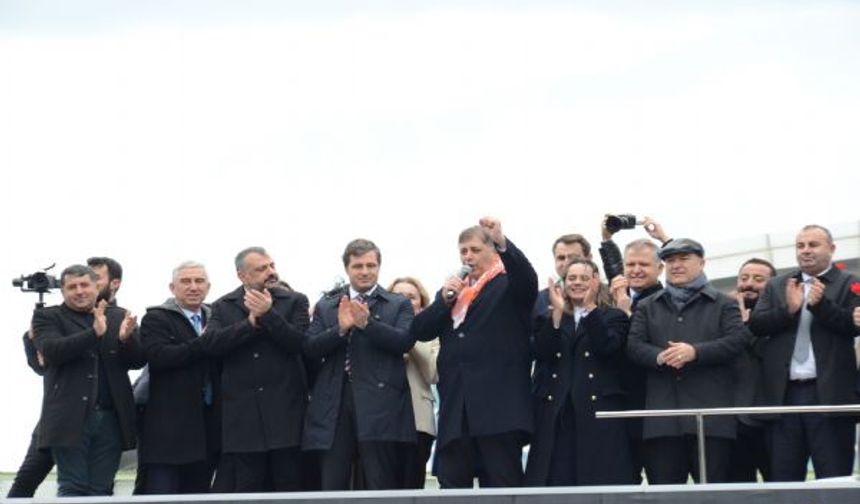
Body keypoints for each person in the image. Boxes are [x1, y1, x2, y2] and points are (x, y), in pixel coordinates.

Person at [412, 217, 538, 488]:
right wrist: (444, 300)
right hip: (457, 411)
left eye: (475, 250)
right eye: (463, 251)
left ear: (493, 251)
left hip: (499, 411)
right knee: (453, 485)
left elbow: (527, 278)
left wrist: (504, 242)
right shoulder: (454, 292)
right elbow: (420, 330)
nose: (468, 256)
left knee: (502, 484)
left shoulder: (507, 285)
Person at [626, 239, 746, 483]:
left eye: (684, 259)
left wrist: (696, 352)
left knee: (713, 493)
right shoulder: (648, 305)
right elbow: (634, 346)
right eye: (670, 260)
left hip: (711, 420)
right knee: (666, 494)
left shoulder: (724, 303)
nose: (676, 265)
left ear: (701, 263)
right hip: (663, 419)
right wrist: (659, 356)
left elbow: (737, 342)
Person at [749, 225, 860, 481]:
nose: (806, 251)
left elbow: (850, 326)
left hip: (829, 396)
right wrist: (788, 310)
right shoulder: (778, 284)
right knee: (784, 477)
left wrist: (821, 305)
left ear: (831, 249)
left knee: (833, 478)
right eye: (801, 246)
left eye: (813, 245)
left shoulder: (850, 283)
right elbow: (757, 324)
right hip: (783, 396)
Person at [303, 239, 416, 490]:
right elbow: (309, 348)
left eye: (370, 265)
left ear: (379, 267)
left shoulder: (398, 303)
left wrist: (369, 325)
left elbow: (405, 341)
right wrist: (340, 329)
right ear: (347, 268)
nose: (365, 271)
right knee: (332, 484)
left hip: (381, 404)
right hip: (335, 402)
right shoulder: (327, 305)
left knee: (380, 482)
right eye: (358, 266)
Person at [201, 247, 310, 492]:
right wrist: (249, 324)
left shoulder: (295, 301)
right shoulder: (223, 306)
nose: (270, 272)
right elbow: (210, 344)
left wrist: (268, 315)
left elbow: (300, 343)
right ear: (242, 276)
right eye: (261, 269)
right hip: (243, 421)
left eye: (271, 265)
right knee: (248, 490)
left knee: (289, 487)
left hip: (286, 416)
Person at [31, 264, 144, 496]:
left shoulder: (118, 315)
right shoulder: (47, 317)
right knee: (73, 488)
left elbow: (138, 360)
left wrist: (126, 340)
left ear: (96, 287)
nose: (79, 291)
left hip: (112, 418)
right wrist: (94, 334)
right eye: (72, 287)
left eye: (85, 285)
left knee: (102, 489)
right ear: (62, 291)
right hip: (69, 419)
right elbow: (51, 351)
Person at [525, 258, 634, 486]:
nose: (577, 283)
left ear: (596, 281)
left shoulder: (613, 316)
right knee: (556, 479)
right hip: (557, 413)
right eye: (571, 278)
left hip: (596, 412)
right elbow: (542, 353)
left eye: (584, 278)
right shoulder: (548, 317)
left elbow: (607, 347)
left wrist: (590, 309)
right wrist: (556, 314)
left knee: (596, 479)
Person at [138, 261, 220, 493]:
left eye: (199, 281)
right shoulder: (156, 318)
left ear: (208, 287)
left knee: (199, 495)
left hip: (207, 429)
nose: (193, 287)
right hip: (169, 431)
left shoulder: (217, 317)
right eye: (186, 281)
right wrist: (203, 343)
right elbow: (160, 357)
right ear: (172, 288)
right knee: (162, 494)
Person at [728, 258, 777, 482]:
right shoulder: (724, 315)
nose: (749, 284)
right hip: (732, 422)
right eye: (744, 278)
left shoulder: (782, 317)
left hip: (772, 421)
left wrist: (747, 326)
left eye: (759, 279)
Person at [389, 277, 440, 489]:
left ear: (422, 303)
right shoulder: (378, 332)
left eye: (411, 297)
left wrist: (409, 336)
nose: (405, 302)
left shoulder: (431, 334)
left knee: (411, 487)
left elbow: (433, 373)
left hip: (418, 422)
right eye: (398, 297)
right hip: (384, 421)